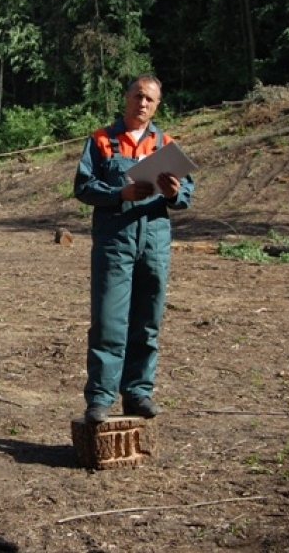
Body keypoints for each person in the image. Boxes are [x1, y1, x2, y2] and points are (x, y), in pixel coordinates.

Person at [73, 74, 195, 423]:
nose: (143, 104)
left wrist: (173, 193)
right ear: (126, 97)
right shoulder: (100, 140)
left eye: (150, 100)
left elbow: (185, 196)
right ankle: (100, 398)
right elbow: (83, 187)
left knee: (148, 319)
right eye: (138, 96)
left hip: (154, 240)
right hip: (115, 239)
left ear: (157, 105)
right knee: (108, 320)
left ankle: (139, 392)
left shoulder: (166, 144)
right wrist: (119, 194)